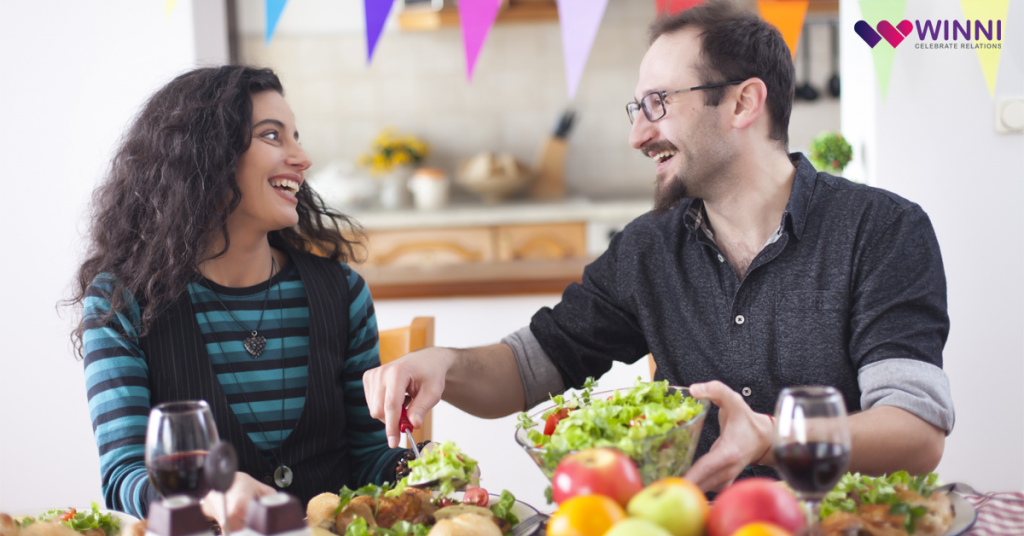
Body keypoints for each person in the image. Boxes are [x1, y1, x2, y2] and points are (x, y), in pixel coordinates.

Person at [364, 1, 954, 492]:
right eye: (636, 108)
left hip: (843, 525)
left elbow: (915, 431)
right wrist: (444, 363)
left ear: (744, 103)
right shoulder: (647, 251)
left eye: (658, 104)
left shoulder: (882, 230)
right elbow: (528, 368)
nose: (637, 134)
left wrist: (774, 439)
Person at [69, 66, 415, 526]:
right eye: (273, 137)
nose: (302, 157)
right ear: (204, 155)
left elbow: (372, 457)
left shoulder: (342, 291)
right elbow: (124, 474)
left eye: (296, 136)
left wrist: (428, 466)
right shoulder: (122, 303)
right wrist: (208, 495)